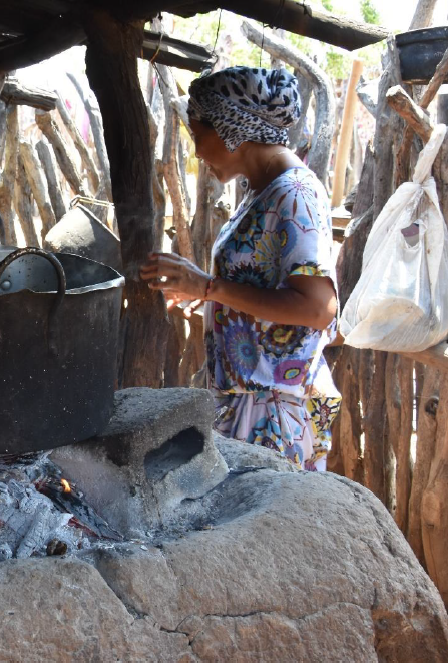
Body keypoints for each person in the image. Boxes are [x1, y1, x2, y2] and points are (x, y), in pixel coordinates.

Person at [140, 66, 341, 471]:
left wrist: (211, 288)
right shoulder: (262, 191)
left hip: (272, 413)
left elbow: (318, 309)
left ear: (232, 129)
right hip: (249, 402)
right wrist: (207, 298)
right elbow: (263, 286)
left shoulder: (295, 195)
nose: (197, 151)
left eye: (198, 135)